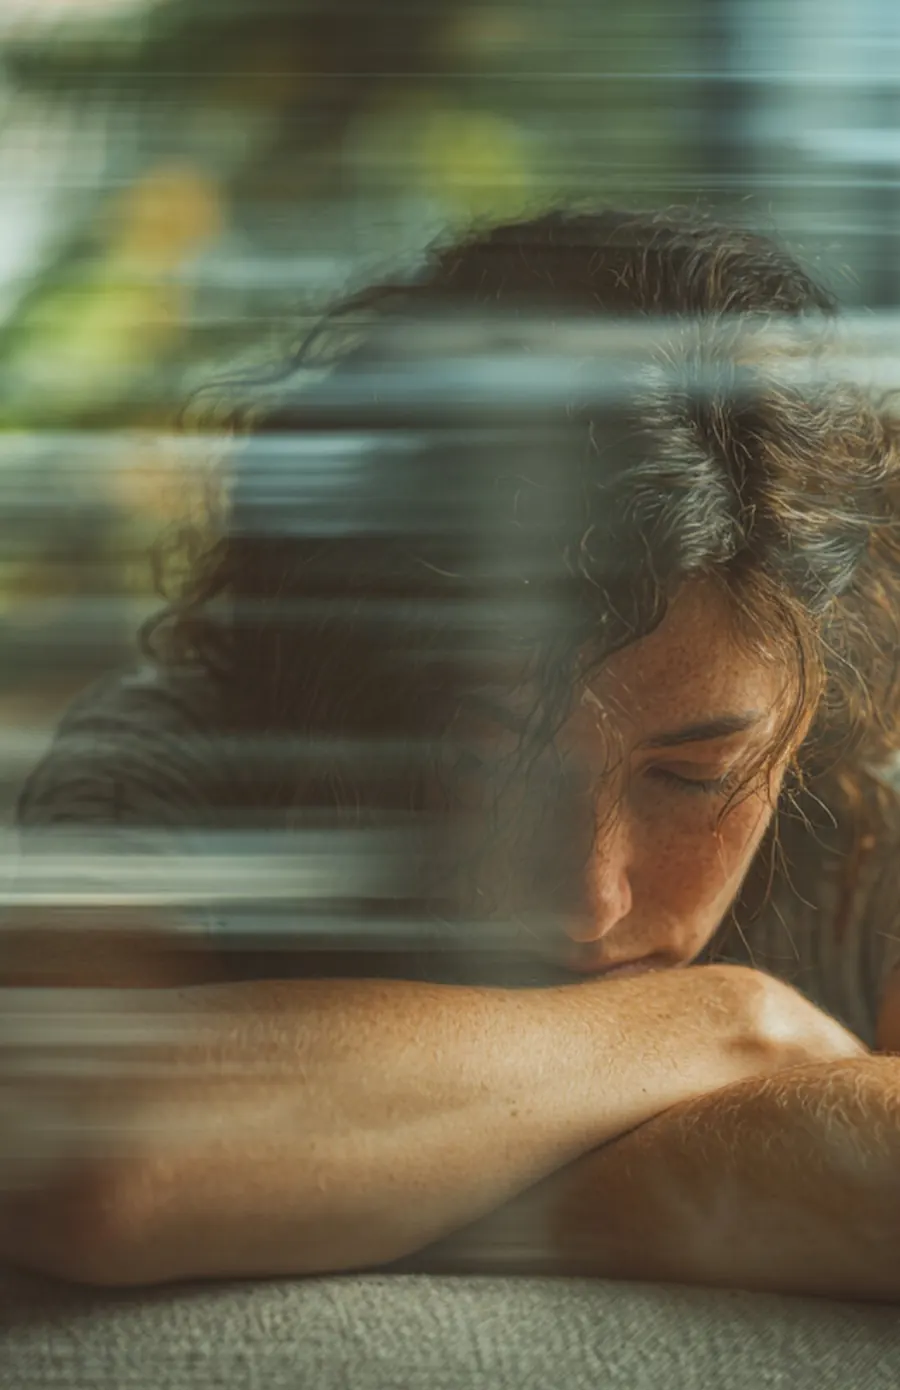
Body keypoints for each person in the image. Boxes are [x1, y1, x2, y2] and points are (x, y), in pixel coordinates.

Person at [3, 207, 900, 1296]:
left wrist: (389, 1175)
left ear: (812, 710)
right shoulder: (194, 757)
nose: (589, 896)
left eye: (694, 778)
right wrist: (729, 1028)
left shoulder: (869, 829)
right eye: (491, 767)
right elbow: (75, 1149)